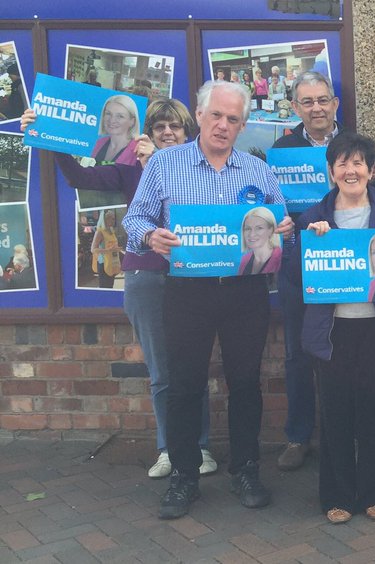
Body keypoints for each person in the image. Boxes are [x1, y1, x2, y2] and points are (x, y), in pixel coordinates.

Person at [125, 80, 293, 520]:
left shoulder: (258, 171)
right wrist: (149, 234)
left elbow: (281, 221)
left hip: (244, 291)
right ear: (198, 116)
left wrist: (285, 230)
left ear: (243, 125)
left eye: (232, 119)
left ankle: (246, 469)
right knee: (184, 383)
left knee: (244, 382)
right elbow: (135, 216)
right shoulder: (164, 163)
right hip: (187, 291)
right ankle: (184, 475)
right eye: (215, 115)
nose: (223, 125)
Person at [21, 99, 215, 479]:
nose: (167, 133)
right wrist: (46, 134)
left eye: (175, 126)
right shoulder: (130, 169)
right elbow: (80, 177)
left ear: (188, 132)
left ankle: (199, 445)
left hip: (192, 277)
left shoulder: (201, 170)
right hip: (146, 276)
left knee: (192, 366)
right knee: (161, 369)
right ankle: (168, 449)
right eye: (159, 127)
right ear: (149, 133)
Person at [290, 133, 375, 523]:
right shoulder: (314, 215)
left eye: (359, 163)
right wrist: (308, 247)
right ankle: (338, 495)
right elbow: (295, 277)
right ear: (331, 171)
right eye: (343, 163)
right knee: (335, 411)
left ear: (371, 169)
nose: (351, 170)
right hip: (332, 330)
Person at [272, 71, 343, 472]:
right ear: (296, 108)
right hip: (297, 263)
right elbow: (272, 206)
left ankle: (341, 433)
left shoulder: (354, 146)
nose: (316, 108)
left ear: (334, 103)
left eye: (323, 100)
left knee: (344, 351)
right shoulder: (282, 150)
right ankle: (298, 437)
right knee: (298, 355)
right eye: (307, 102)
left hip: (346, 264)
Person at [93, 95, 140, 166]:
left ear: (132, 121)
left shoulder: (137, 150)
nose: (112, 120)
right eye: (108, 114)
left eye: (120, 116)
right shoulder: (100, 143)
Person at [238, 207, 282, 275]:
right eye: (248, 229)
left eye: (259, 228)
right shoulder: (245, 259)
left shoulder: (280, 259)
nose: (252, 234)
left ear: (271, 230)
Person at [90, 209, 123, 288]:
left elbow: (112, 247)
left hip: (112, 263)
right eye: (109, 218)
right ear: (104, 219)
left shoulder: (111, 231)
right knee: (105, 287)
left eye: (113, 218)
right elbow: (93, 249)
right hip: (103, 264)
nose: (112, 220)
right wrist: (108, 250)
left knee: (110, 286)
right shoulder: (99, 232)